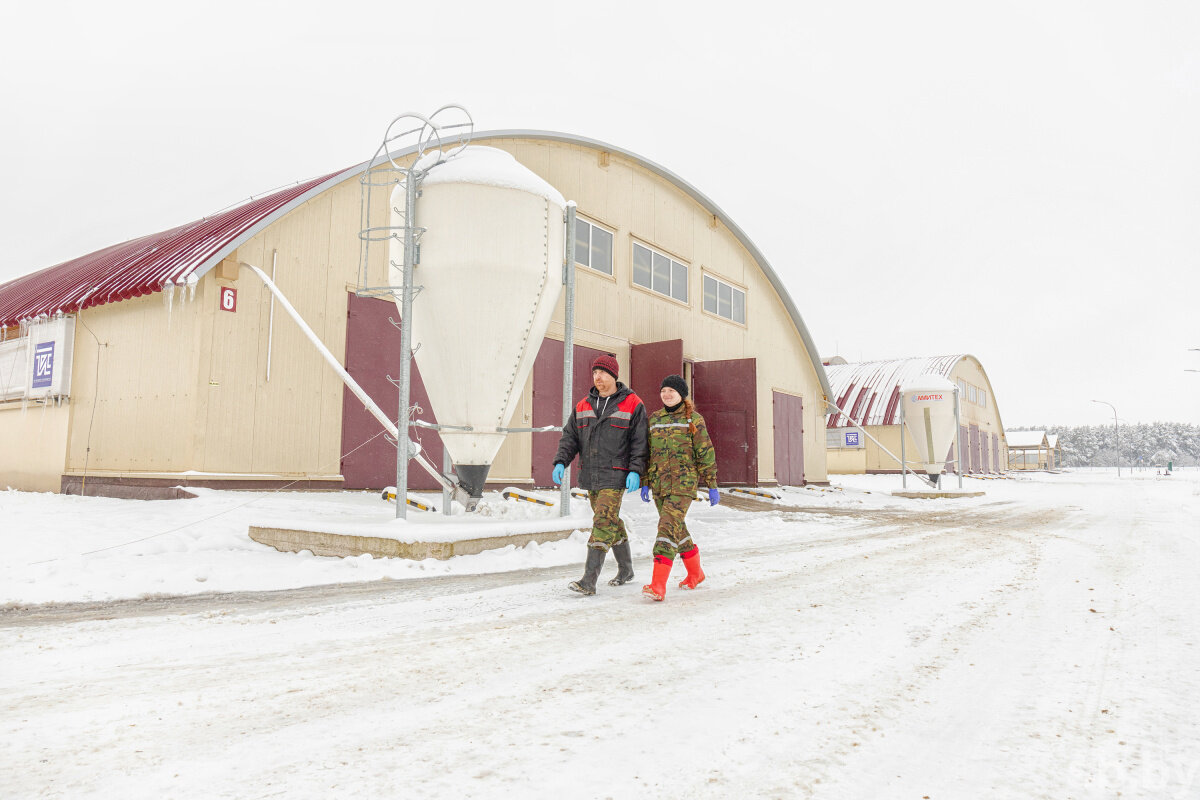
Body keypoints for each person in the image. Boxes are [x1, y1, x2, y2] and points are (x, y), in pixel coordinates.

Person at [551, 353, 648, 595]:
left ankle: (588, 580)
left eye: (603, 373)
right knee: (611, 521)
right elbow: (570, 437)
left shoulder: (633, 403)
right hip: (591, 476)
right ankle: (626, 569)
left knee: (603, 522)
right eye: (595, 373)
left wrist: (636, 470)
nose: (598, 377)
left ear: (614, 375)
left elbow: (640, 442)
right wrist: (561, 461)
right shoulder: (583, 405)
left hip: (615, 475)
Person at [640, 374, 718, 601]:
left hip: (683, 484)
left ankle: (658, 585)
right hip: (660, 485)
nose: (666, 394)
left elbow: (705, 452)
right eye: (663, 390)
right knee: (677, 529)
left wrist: (711, 483)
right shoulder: (654, 419)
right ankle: (696, 573)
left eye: (671, 391)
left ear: (681, 394)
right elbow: (647, 453)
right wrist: (645, 482)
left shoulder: (693, 419)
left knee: (666, 529)